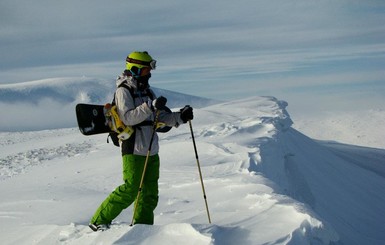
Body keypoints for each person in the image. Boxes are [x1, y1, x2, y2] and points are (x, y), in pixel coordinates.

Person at [89, 51, 193, 231]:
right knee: (131, 189)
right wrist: (149, 106)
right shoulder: (123, 90)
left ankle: (142, 230)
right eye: (146, 70)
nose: (149, 73)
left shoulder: (147, 91)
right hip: (133, 146)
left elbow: (158, 117)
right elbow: (128, 118)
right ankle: (98, 221)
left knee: (149, 193)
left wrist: (180, 117)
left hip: (151, 147)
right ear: (135, 69)